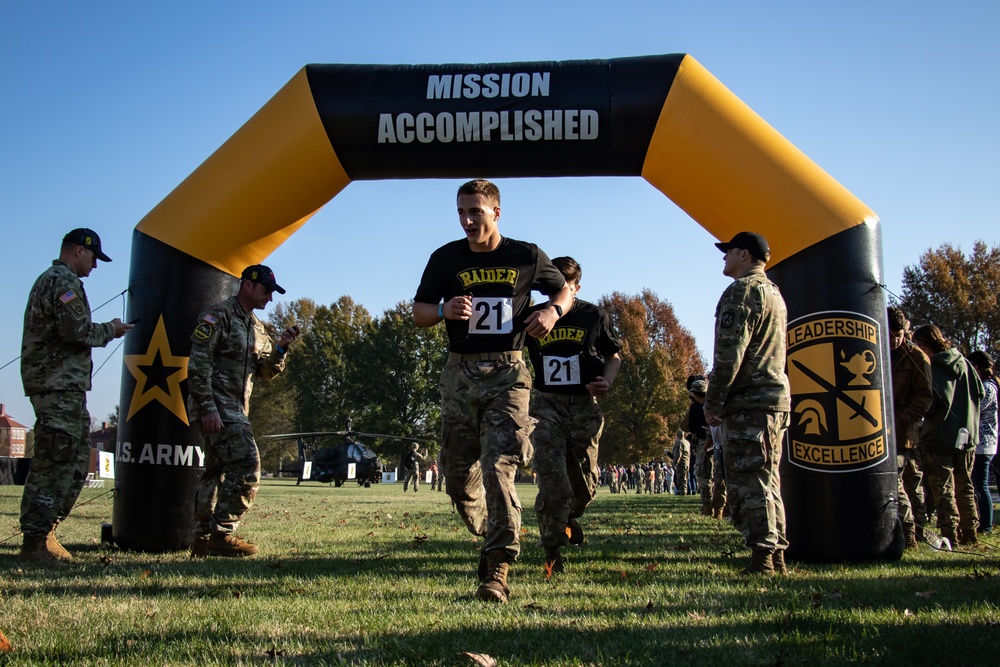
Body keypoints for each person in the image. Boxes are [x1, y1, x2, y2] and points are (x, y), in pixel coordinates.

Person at [413, 179, 572, 603]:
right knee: (458, 478)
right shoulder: (445, 258)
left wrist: (552, 312)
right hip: (459, 374)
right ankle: (495, 529)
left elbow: (564, 289)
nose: (467, 221)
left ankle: (497, 565)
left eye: (475, 212)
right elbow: (418, 312)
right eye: (461, 212)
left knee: (499, 465)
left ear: (496, 212)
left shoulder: (525, 254)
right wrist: (443, 310)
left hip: (508, 372)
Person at [18, 228, 133, 564]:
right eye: (95, 257)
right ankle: (35, 540)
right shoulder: (61, 280)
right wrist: (112, 329)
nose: (96, 266)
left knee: (75, 459)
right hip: (57, 385)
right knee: (55, 461)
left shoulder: (57, 280)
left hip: (65, 387)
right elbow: (76, 330)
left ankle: (46, 534)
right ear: (79, 251)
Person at [187, 264, 300, 558]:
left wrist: (281, 348)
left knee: (215, 470)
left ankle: (201, 539)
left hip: (236, 408)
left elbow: (264, 372)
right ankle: (223, 533)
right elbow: (198, 364)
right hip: (217, 406)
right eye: (266, 291)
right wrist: (208, 408)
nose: (270, 299)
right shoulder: (217, 316)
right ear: (247, 285)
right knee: (248, 463)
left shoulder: (256, 327)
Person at [524, 256, 621, 573]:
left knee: (584, 489)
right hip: (547, 406)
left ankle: (566, 518)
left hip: (584, 409)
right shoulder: (532, 316)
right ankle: (552, 551)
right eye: (551, 288)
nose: (555, 297)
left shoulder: (594, 315)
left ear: (576, 287)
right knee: (553, 483)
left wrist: (606, 380)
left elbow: (613, 356)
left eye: (562, 288)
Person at [704, 231, 790, 576]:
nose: (723, 258)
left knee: (751, 482)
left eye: (728, 252)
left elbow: (729, 354)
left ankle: (763, 560)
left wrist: (714, 400)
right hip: (773, 400)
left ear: (744, 254)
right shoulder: (774, 294)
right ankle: (776, 556)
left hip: (749, 402)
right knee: (769, 480)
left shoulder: (742, 292)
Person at [912, 324, 983, 547]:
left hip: (939, 437)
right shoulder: (966, 364)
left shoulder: (933, 366)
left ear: (924, 345)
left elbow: (931, 402)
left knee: (943, 490)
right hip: (968, 436)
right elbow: (980, 392)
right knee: (965, 486)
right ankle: (970, 532)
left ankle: (949, 535)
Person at [886, 307, 932, 549]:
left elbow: (924, 399)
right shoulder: (876, 348)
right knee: (905, 485)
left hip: (903, 434)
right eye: (890, 333)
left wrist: (899, 421)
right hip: (878, 430)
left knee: (897, 483)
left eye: (899, 334)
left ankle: (911, 535)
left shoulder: (916, 357)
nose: (894, 339)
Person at [967, 350, 996, 536]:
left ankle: (986, 525)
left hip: (983, 444)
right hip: (982, 443)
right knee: (978, 484)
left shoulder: (987, 387)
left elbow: (974, 405)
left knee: (981, 485)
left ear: (976, 367)